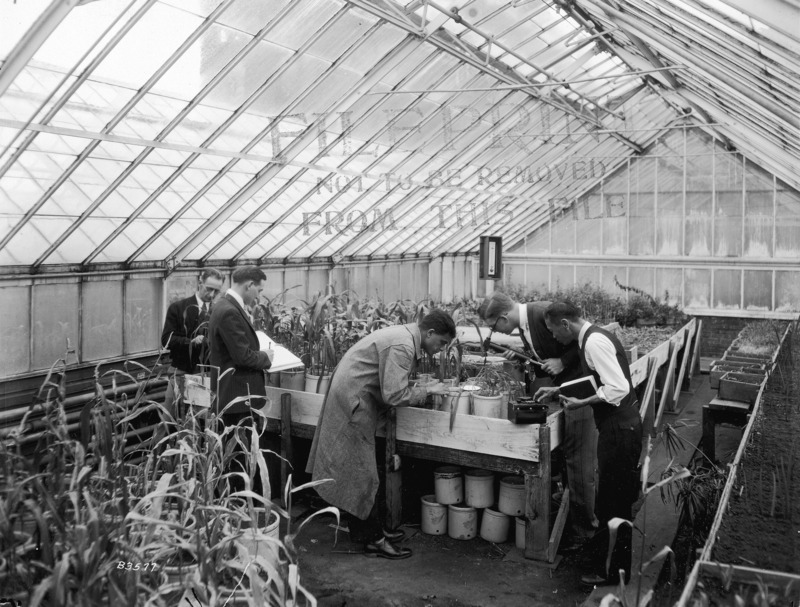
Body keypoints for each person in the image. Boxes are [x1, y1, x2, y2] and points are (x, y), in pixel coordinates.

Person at [306, 309, 456, 560]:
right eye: (441, 343)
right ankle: (374, 540)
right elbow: (393, 395)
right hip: (354, 403)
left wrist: (423, 387)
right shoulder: (404, 346)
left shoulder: (405, 336)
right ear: (429, 333)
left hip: (354, 398)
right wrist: (427, 392)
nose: (440, 349)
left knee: (361, 469)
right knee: (361, 473)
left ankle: (374, 531)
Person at [535, 302, 643, 587]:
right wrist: (560, 389)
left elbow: (617, 387)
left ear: (565, 325)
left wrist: (581, 402)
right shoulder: (590, 337)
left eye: (553, 331)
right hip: (619, 425)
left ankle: (613, 573)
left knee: (615, 501)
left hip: (620, 428)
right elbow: (595, 379)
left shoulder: (593, 342)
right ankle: (610, 564)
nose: (554, 338)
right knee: (610, 497)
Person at [478, 292, 597, 544]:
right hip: (565, 392)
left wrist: (563, 362)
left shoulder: (543, 312)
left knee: (579, 463)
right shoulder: (525, 324)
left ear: (502, 317)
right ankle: (574, 524)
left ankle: (586, 535)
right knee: (569, 459)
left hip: (580, 394)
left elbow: (586, 337)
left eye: (493, 327)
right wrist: (521, 355)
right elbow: (545, 354)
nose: (495, 332)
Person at [208, 266, 273, 418]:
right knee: (239, 441)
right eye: (259, 290)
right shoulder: (230, 311)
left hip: (234, 399)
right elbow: (242, 357)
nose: (258, 296)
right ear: (249, 285)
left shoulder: (224, 305)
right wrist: (265, 357)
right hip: (237, 400)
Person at [160, 269, 225, 417]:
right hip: (181, 372)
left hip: (205, 374)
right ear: (199, 283)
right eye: (209, 289)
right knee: (169, 416)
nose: (212, 295)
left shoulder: (219, 311)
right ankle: (164, 440)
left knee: (199, 420)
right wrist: (190, 342)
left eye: (217, 291)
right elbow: (166, 340)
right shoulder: (178, 308)